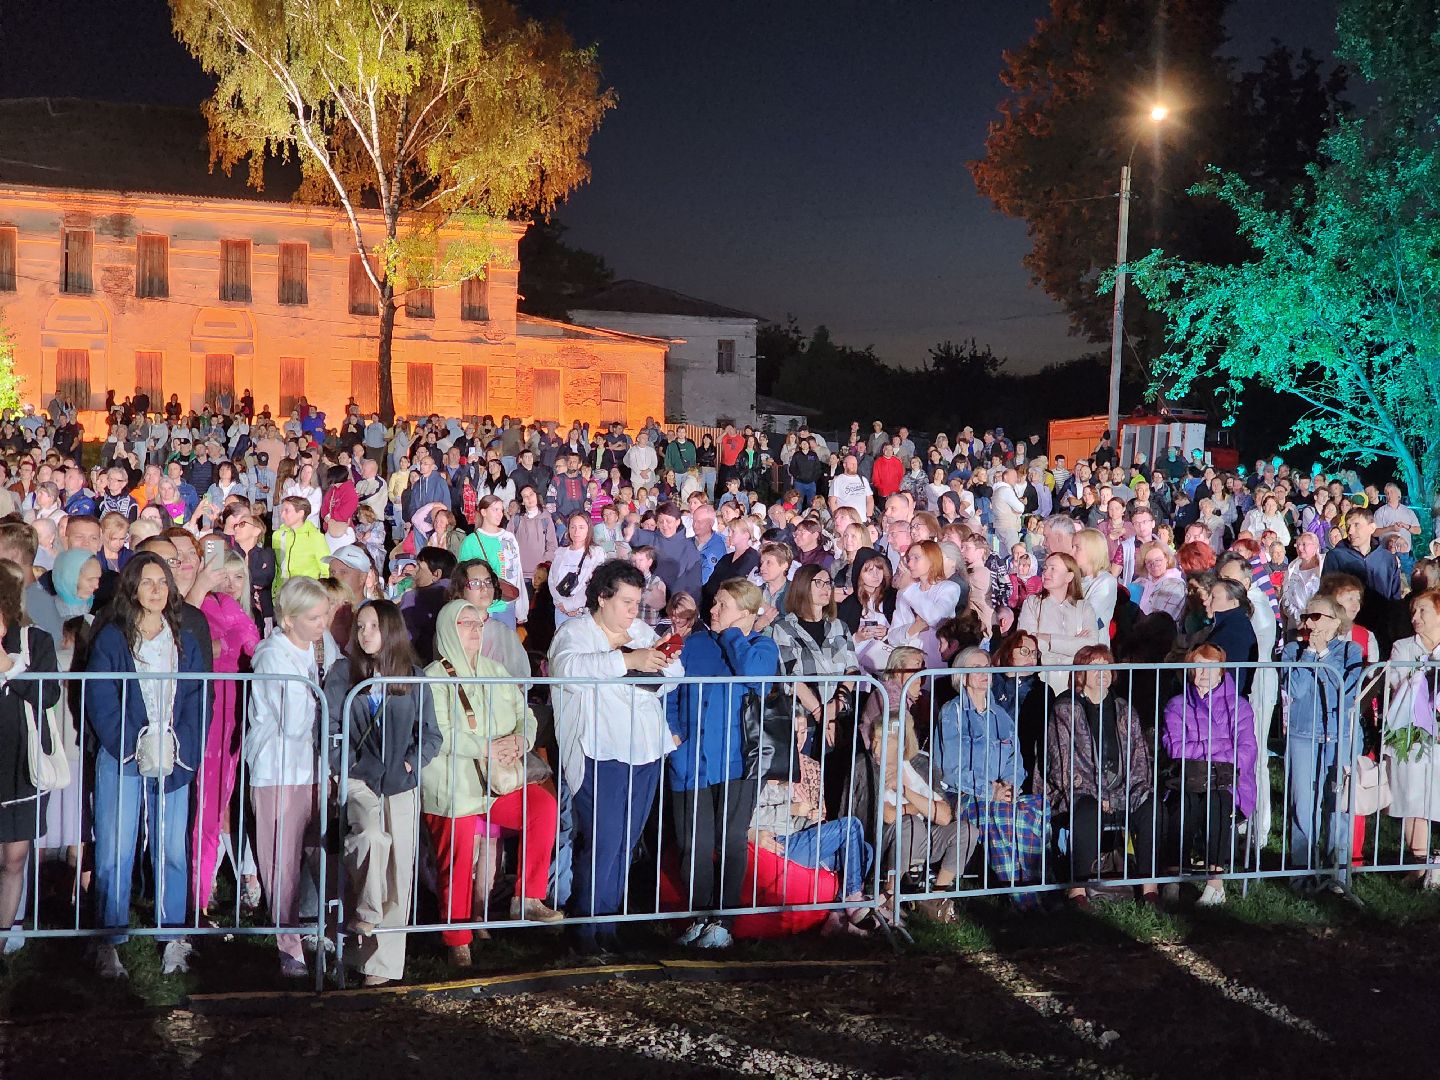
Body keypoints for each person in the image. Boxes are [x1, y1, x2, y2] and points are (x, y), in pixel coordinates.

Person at [548, 559, 682, 955]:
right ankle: (584, 927)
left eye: (637, 602)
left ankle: (608, 924)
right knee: (603, 840)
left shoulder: (641, 631)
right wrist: (628, 661)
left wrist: (658, 662)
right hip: (600, 750)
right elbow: (567, 670)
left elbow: (676, 675)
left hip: (645, 749)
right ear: (603, 598)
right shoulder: (574, 632)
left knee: (626, 840)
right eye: (626, 602)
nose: (633, 610)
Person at [86, 552, 206, 979]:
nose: (156, 590)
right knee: (115, 850)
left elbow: (198, 698)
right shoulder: (112, 639)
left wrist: (183, 746)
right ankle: (109, 939)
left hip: (174, 756)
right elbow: (101, 698)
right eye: (147, 582)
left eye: (162, 582)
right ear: (132, 588)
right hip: (123, 755)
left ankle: (173, 936)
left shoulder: (185, 640)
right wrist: (130, 745)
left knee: (171, 849)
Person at [325, 600, 439, 985]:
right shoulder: (342, 673)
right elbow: (331, 730)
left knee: (399, 872)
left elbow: (431, 735)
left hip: (400, 784)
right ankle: (368, 914)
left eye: (373, 626)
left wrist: (408, 763)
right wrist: (349, 765)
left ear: (391, 630)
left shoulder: (415, 677)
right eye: (360, 626)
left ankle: (381, 966)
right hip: (360, 778)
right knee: (370, 837)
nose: (365, 633)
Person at [666, 579, 780, 948]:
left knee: (731, 841)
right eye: (714, 603)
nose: (712, 611)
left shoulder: (761, 647)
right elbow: (670, 689)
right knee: (693, 844)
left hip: (737, 762)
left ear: (746, 613)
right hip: (692, 760)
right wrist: (674, 732)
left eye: (723, 606)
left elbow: (756, 677)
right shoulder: (694, 643)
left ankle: (724, 921)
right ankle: (699, 915)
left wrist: (733, 634)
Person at [246, 576, 337, 978]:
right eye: (314, 617)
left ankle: (319, 928)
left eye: (324, 615)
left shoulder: (320, 648)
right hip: (277, 770)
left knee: (318, 851)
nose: (322, 624)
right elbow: (295, 721)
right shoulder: (272, 656)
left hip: (311, 767)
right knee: (281, 862)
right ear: (290, 619)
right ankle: (288, 946)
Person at [1047, 645, 1159, 908]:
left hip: (1122, 791)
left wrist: (1130, 792)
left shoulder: (1124, 709)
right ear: (1080, 674)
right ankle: (1077, 890)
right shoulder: (1066, 708)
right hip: (1078, 790)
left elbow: (1139, 758)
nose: (1102, 672)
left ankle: (1150, 888)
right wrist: (1100, 796)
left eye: (1106, 666)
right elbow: (1062, 762)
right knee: (1087, 809)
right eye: (1094, 666)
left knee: (1151, 807)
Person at [934, 648, 1049, 898]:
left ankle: (1032, 885)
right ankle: (1022, 895)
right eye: (976, 669)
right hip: (961, 795)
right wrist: (990, 791)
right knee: (1000, 813)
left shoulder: (1001, 715)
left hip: (1000, 792)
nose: (984, 673)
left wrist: (1009, 786)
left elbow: (1015, 760)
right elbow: (952, 770)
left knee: (1034, 809)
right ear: (962, 676)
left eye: (987, 667)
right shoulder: (952, 712)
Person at [1160, 645, 1259, 907]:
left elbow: (1246, 751)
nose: (1204, 672)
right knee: (1182, 805)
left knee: (1218, 803)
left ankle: (1215, 884)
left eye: (1211, 667)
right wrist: (1220, 745)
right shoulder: (1176, 705)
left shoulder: (1239, 706)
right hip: (1188, 778)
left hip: (1229, 780)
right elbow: (1175, 749)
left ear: (1221, 671)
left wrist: (1202, 752)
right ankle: (1173, 876)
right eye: (1199, 666)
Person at [192, 549, 261, 918]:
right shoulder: (203, 608)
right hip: (210, 713)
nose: (231, 584)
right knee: (207, 804)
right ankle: (199, 894)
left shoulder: (245, 614)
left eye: (238, 577)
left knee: (227, 801)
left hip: (238, 715)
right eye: (224, 575)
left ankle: (223, 881)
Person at [1278, 595, 1363, 881]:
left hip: (1340, 736)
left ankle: (1338, 873)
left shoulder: (1351, 651)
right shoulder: (1293, 650)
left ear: (1336, 622)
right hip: (1303, 735)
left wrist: (1324, 656)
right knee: (1303, 805)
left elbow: (1345, 693)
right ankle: (1302, 872)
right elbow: (1296, 690)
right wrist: (1309, 656)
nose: (1308, 623)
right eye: (1305, 617)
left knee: (1338, 804)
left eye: (1316, 617)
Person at [0, 565, 59, 955]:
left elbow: (48, 694)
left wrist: (9, 666)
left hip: (21, 762)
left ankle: (3, 939)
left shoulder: (34, 640)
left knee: (14, 858)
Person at [1381, 588, 1440, 884]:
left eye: (1423, 611)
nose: (1415, 617)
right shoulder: (1403, 647)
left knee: (1434, 800)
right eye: (1413, 612)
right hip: (1411, 736)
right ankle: (1418, 865)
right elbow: (1395, 682)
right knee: (1412, 801)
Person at [1016, 553, 1101, 694]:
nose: (1046, 573)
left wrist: (1048, 638)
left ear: (1069, 576)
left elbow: (1090, 646)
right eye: (1045, 568)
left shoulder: (1084, 607)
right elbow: (1026, 643)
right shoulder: (1032, 603)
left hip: (1076, 686)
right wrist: (1073, 643)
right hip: (1040, 684)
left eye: (1053, 569)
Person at [889, 540, 962, 669]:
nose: (910, 564)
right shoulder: (904, 593)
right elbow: (892, 637)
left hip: (937, 666)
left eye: (916, 558)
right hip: (909, 667)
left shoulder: (949, 588)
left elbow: (936, 618)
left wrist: (909, 588)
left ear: (932, 559)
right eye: (909, 559)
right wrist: (914, 628)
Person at [549, 511, 604, 628]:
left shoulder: (596, 553)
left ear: (588, 529)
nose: (576, 531)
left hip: (584, 611)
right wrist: (560, 603)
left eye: (581, 527)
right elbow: (552, 581)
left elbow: (593, 584)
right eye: (573, 527)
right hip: (561, 610)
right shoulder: (560, 552)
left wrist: (573, 606)